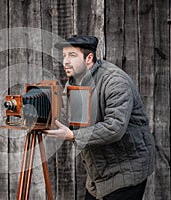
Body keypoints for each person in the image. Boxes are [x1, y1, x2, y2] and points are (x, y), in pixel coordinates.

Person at [44, 35, 155, 200]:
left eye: (72, 55)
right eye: (64, 56)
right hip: (98, 175)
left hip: (126, 170)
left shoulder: (115, 81)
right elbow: (76, 121)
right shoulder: (74, 83)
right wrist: (41, 119)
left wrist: (72, 135)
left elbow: (114, 128)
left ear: (89, 58)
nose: (65, 61)